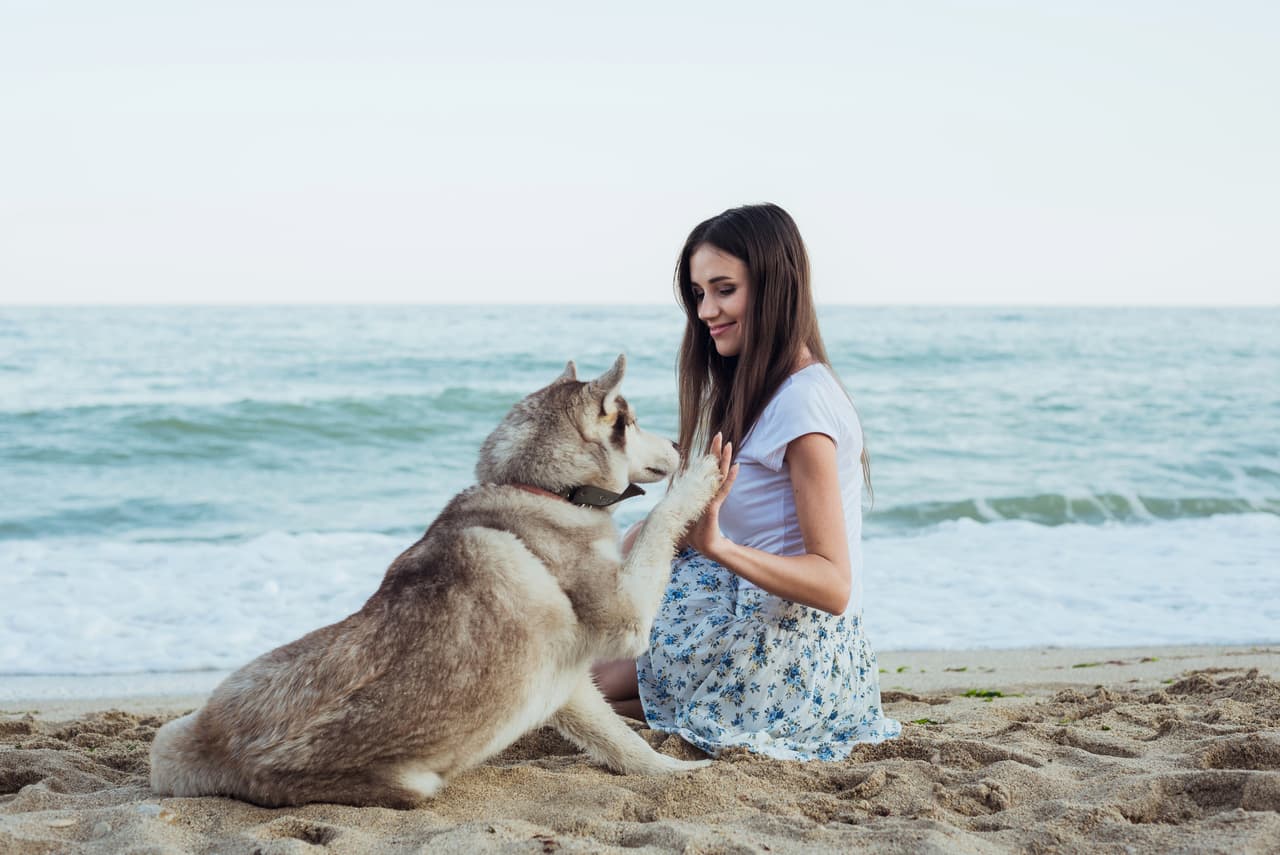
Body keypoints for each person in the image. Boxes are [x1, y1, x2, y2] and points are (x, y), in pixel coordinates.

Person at [593, 203, 900, 761]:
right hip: (775, 628)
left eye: (724, 289)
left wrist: (718, 546)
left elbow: (833, 584)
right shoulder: (765, 390)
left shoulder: (803, 406)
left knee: (579, 677)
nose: (707, 310)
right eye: (698, 293)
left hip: (792, 658)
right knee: (601, 640)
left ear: (774, 286)